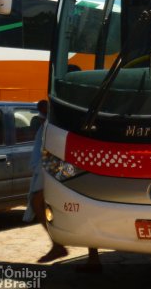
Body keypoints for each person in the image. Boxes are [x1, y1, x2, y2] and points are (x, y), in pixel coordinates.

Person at [24, 100, 102, 271]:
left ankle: (71, 250)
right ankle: (73, 251)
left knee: (40, 201)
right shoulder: (58, 114)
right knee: (39, 201)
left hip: (61, 163)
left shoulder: (74, 110)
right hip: (55, 162)